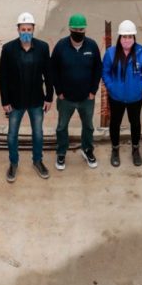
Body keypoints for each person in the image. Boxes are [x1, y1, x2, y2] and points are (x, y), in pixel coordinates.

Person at [0, 12, 53, 183]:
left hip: (36, 100)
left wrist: (49, 97)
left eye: (29, 29)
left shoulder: (43, 48)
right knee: (12, 134)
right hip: (16, 102)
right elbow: (3, 77)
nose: (26, 32)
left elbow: (48, 74)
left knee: (38, 133)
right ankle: (13, 163)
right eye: (23, 29)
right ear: (18, 29)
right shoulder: (8, 49)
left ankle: (38, 160)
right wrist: (5, 101)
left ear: (33, 29)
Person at [49, 13, 102, 171]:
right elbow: (53, 70)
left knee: (88, 126)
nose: (79, 31)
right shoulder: (61, 46)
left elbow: (97, 69)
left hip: (87, 98)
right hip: (66, 98)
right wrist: (58, 91)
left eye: (82, 29)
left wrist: (93, 90)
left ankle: (87, 150)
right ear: (70, 29)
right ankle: (61, 152)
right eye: (76, 29)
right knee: (61, 126)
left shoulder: (92, 46)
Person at [102, 20, 142, 168]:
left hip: (135, 98)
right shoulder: (110, 53)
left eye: (130, 37)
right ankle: (115, 149)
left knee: (135, 123)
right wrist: (111, 87)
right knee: (115, 123)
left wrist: (141, 86)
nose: (127, 40)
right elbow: (105, 72)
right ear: (119, 38)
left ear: (134, 38)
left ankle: (135, 149)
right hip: (116, 97)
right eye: (124, 37)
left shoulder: (141, 52)